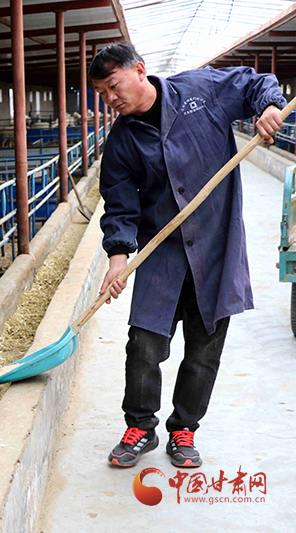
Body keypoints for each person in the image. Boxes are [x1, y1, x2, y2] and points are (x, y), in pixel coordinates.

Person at [89, 42, 286, 468]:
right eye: (102, 93)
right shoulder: (122, 140)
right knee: (144, 344)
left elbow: (254, 84)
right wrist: (118, 259)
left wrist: (268, 106)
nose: (109, 99)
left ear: (139, 71)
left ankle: (184, 429)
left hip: (217, 248)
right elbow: (120, 205)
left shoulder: (201, 90)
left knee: (204, 349)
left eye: (112, 86)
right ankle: (140, 426)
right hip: (163, 254)